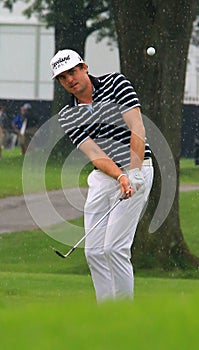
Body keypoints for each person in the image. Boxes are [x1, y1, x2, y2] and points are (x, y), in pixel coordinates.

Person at [50, 49, 154, 302]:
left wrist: (134, 172)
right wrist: (120, 177)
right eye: (63, 77)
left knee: (115, 248)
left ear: (84, 67)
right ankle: (106, 316)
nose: (70, 80)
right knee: (95, 252)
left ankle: (124, 318)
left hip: (137, 167)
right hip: (104, 176)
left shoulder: (116, 83)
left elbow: (136, 126)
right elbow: (96, 154)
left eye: (73, 72)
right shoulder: (68, 115)